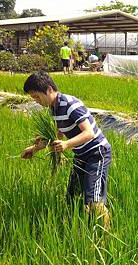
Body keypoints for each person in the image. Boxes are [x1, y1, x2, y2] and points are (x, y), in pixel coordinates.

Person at [20, 71, 111, 228]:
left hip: (97, 153)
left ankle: (104, 238)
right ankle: (81, 226)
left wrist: (67, 145)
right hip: (81, 154)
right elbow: (58, 134)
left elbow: (89, 133)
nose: (36, 101)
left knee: (94, 200)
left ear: (49, 90)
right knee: (72, 196)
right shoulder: (54, 108)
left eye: (36, 97)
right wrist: (35, 149)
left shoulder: (70, 105)